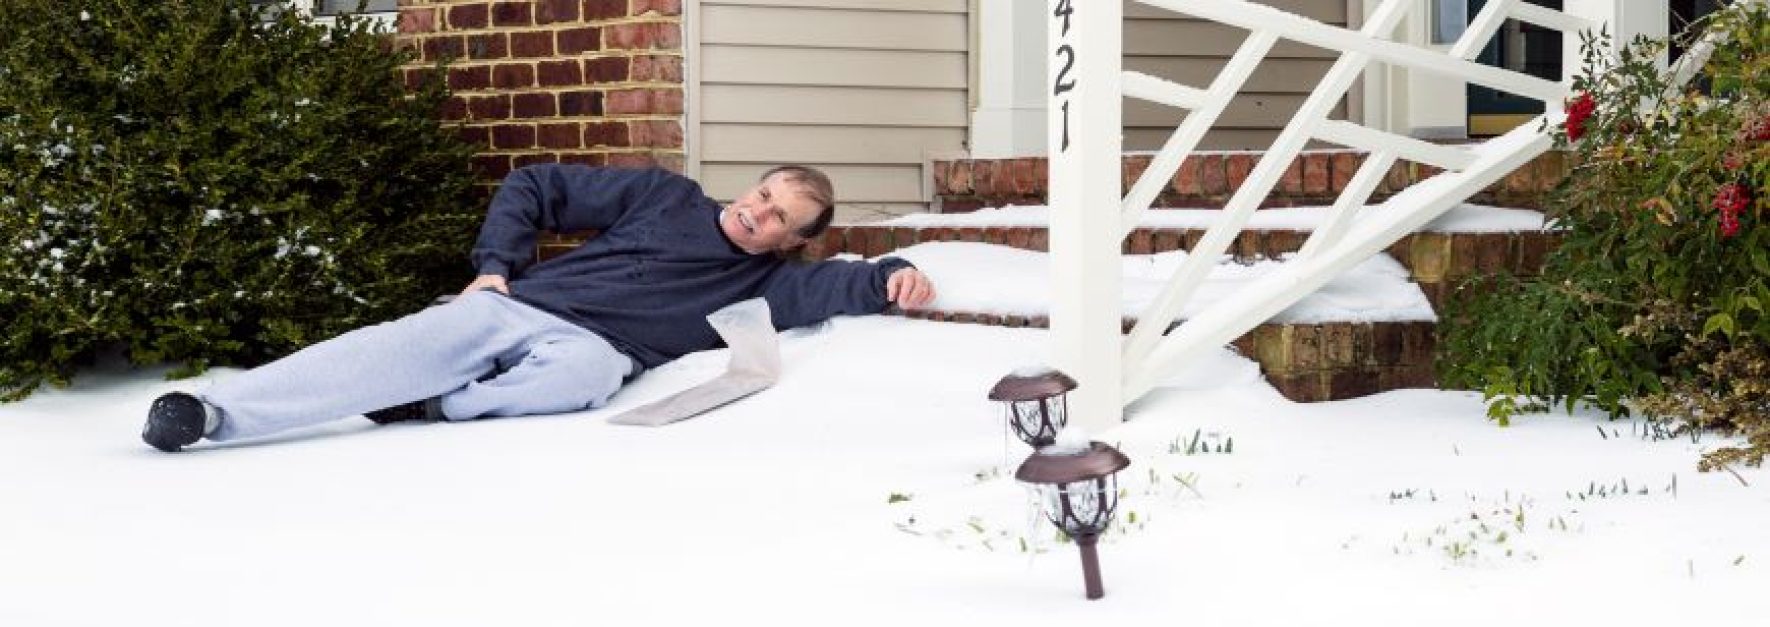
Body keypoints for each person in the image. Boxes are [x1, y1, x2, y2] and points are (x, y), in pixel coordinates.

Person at [140, 164, 935, 452]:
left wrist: (896, 273)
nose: (755, 214)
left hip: (596, 351)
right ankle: (213, 411)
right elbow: (535, 185)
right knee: (393, 347)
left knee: (586, 372)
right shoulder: (665, 195)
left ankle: (439, 405)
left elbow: (847, 281)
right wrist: (494, 269)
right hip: (518, 309)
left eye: (776, 219)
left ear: (786, 242)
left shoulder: (765, 284)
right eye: (761, 195)